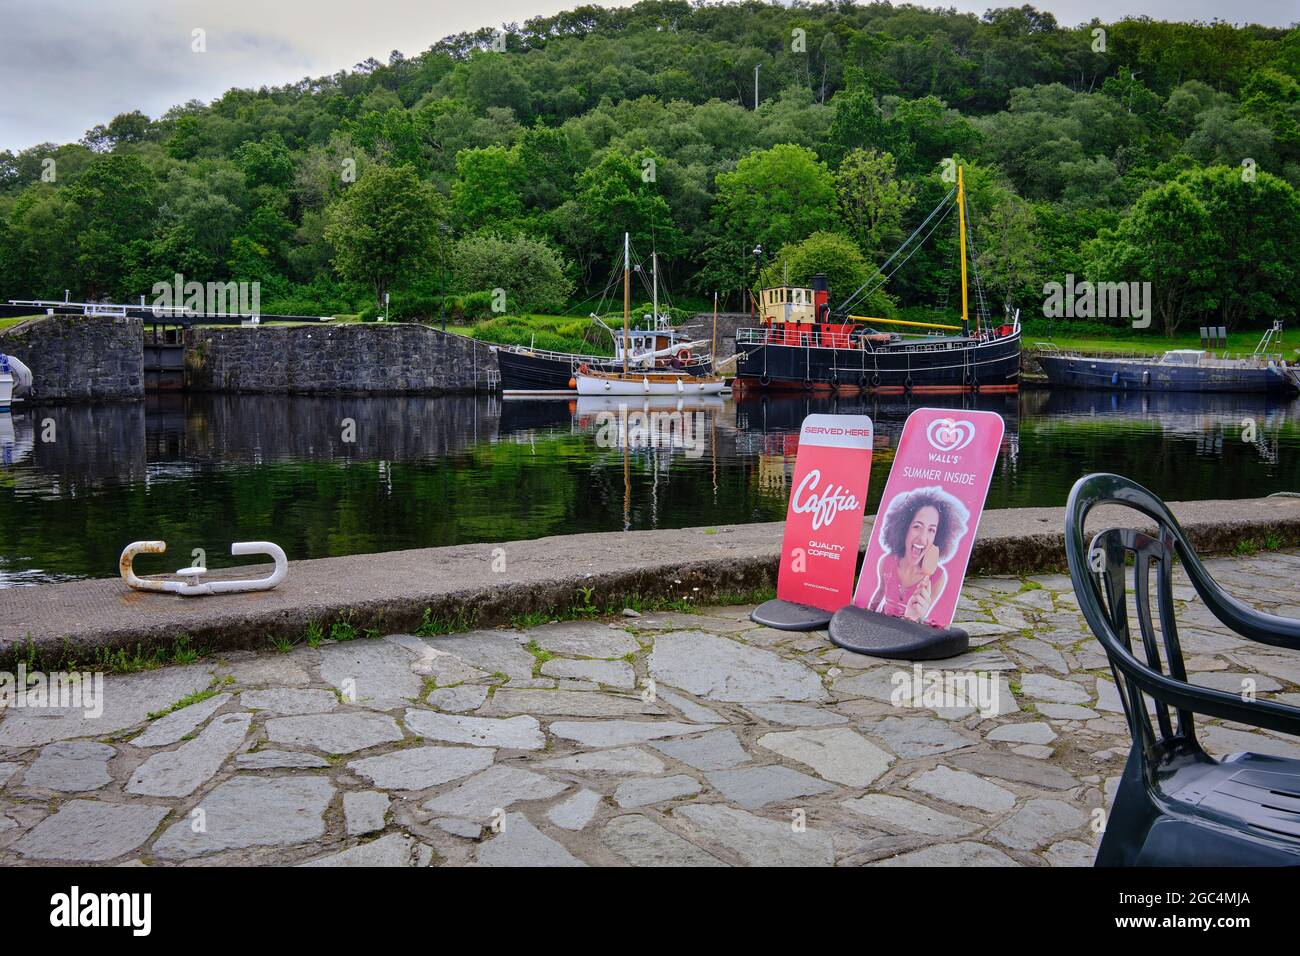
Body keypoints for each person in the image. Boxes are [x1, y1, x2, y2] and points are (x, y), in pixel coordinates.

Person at [866, 487, 969, 624]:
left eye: (931, 530)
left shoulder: (937, 577)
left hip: (909, 632)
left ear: (938, 536)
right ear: (904, 528)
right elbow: (881, 590)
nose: (922, 538)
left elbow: (926, 618)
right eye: (917, 526)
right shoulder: (886, 562)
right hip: (880, 624)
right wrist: (867, 613)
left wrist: (915, 616)